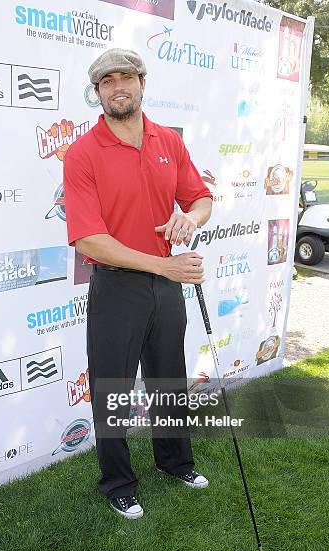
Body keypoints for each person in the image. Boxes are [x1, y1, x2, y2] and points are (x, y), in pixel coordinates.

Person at [64, 48, 213, 519]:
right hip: (117, 287)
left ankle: (175, 462)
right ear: (97, 93)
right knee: (112, 389)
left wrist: (189, 218)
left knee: (168, 377)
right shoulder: (83, 153)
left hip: (165, 287)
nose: (117, 87)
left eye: (125, 78)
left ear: (142, 84)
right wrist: (163, 266)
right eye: (107, 82)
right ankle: (118, 483)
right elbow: (89, 239)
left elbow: (202, 198)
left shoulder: (168, 139)